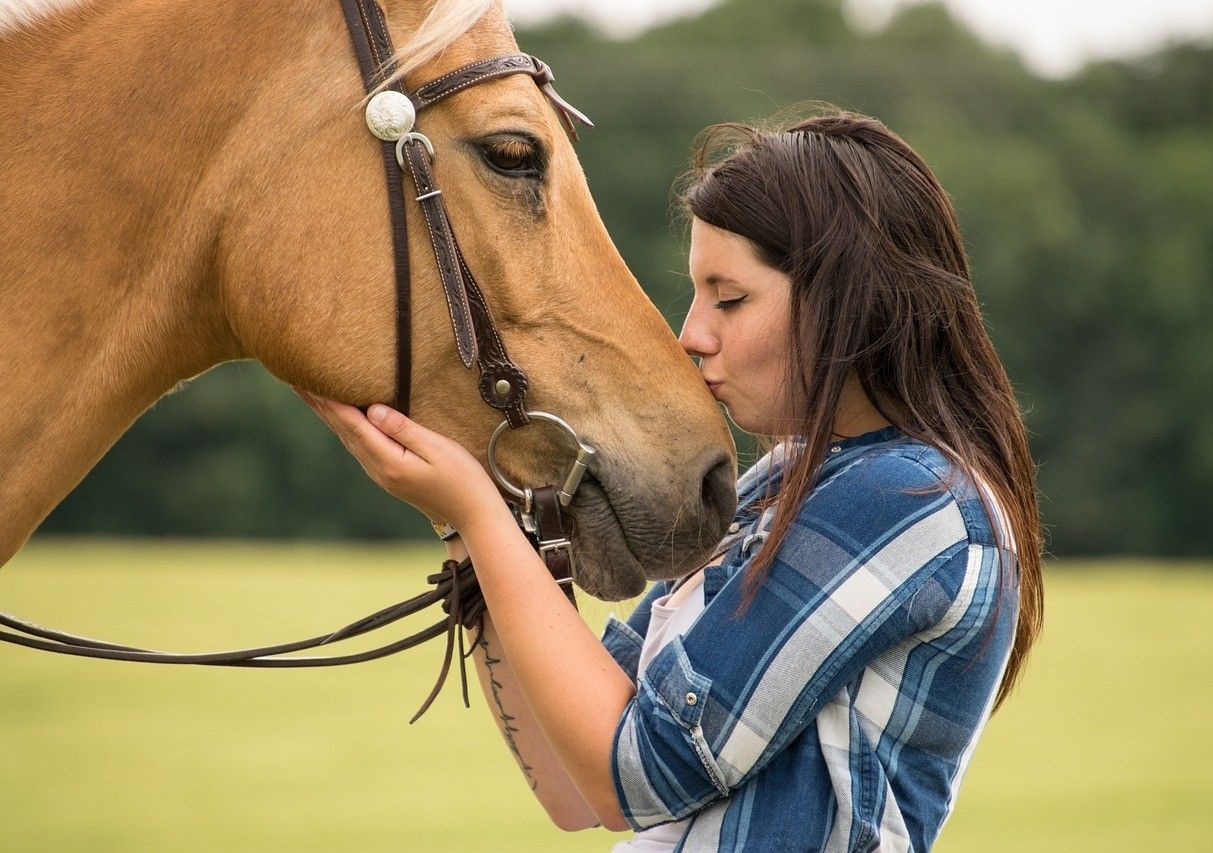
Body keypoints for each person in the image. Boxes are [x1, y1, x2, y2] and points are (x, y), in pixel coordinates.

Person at [299, 107, 1043, 852]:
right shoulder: (785, 483)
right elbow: (572, 784)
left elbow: (635, 773)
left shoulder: (908, 499)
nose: (692, 333)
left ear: (848, 300)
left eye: (730, 298)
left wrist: (479, 515)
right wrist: (463, 523)